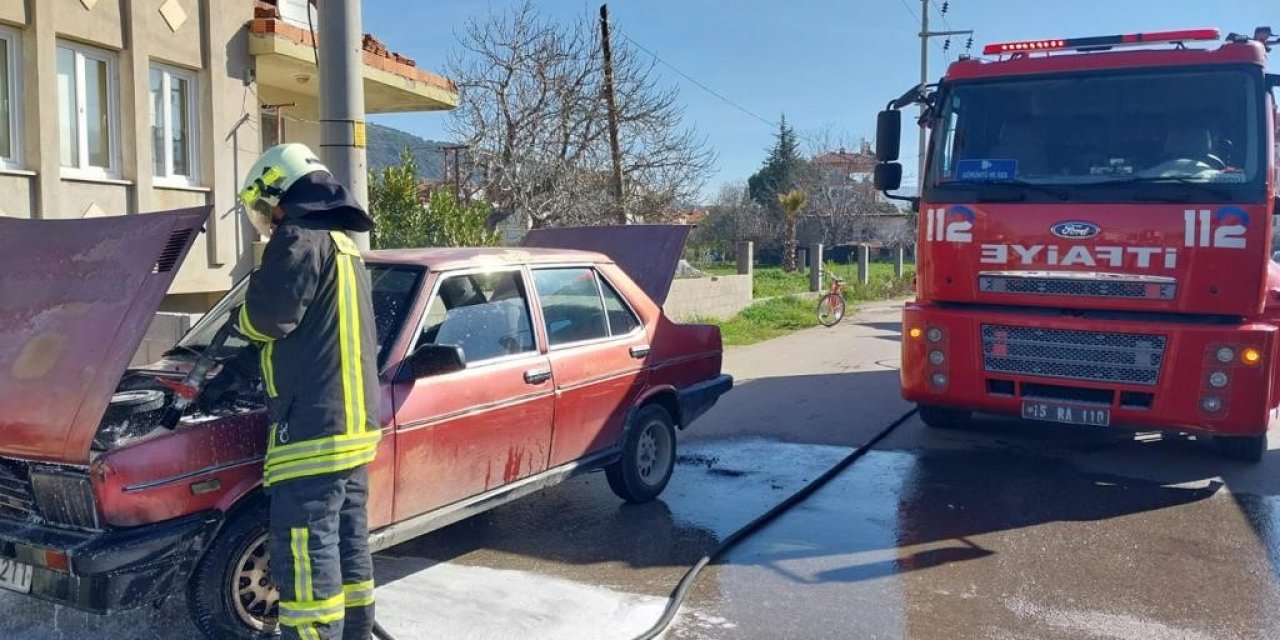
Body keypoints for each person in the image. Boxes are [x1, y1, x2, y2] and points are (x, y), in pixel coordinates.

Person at [234, 143, 380, 640]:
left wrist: (240, 322)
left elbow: (268, 319)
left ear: (279, 192)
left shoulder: (298, 237)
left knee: (305, 557)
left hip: (312, 431)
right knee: (346, 547)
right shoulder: (342, 244)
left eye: (265, 206)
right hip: (352, 431)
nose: (267, 219)